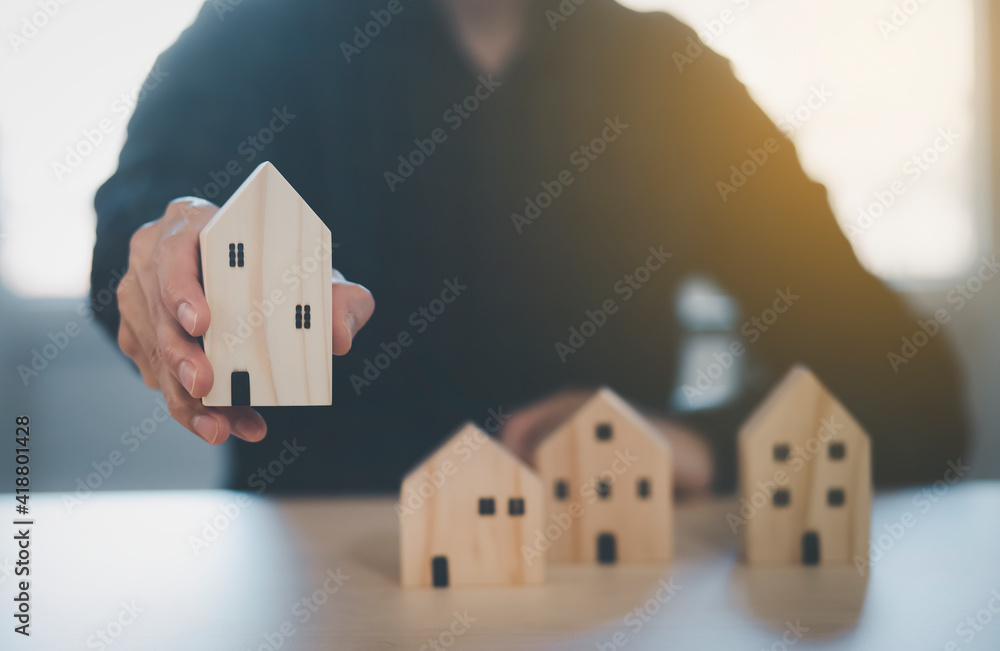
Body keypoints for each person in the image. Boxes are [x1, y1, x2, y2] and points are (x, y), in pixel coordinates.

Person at [91, 0, 967, 495]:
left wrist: (694, 448)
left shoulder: (673, 80)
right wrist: (156, 266)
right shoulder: (256, 37)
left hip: (604, 602)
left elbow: (912, 387)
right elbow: (138, 230)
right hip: (318, 601)